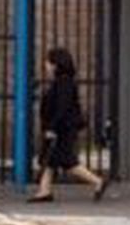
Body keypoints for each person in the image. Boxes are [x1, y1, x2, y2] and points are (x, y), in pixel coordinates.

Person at [27, 47, 107, 203]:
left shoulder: (64, 82)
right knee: (51, 160)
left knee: (67, 162)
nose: (46, 65)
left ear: (56, 64)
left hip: (63, 129)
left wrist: (52, 128)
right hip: (62, 127)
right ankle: (44, 191)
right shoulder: (61, 82)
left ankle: (98, 181)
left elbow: (62, 108)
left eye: (48, 62)